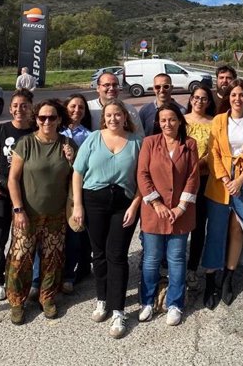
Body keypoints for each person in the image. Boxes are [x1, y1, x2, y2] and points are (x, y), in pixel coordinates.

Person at [71, 99, 142, 338]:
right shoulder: (93, 139)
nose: (113, 119)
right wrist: (78, 206)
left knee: (117, 255)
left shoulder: (136, 142)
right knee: (99, 254)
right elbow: (78, 173)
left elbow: (143, 179)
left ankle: (118, 311)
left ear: (125, 116)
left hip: (124, 203)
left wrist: (135, 205)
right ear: (104, 117)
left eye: (118, 114)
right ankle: (102, 299)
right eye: (109, 115)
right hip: (93, 201)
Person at [5, 99, 76, 325]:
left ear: (59, 119)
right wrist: (18, 210)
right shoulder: (26, 143)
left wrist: (72, 160)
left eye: (52, 117)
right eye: (42, 117)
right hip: (28, 214)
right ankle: (17, 302)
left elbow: (78, 176)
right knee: (20, 260)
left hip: (56, 215)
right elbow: (13, 179)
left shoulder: (68, 144)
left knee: (53, 259)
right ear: (36, 119)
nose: (46, 121)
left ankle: (47, 297)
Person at [201, 79, 243, 308]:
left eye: (242, 95)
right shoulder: (218, 120)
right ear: (228, 98)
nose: (238, 99)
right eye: (234, 95)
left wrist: (240, 179)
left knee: (239, 228)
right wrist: (227, 179)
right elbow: (213, 152)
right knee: (216, 230)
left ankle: (228, 277)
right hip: (220, 182)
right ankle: (210, 279)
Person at [137, 104, 199, 326]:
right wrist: (156, 203)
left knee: (176, 259)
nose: (167, 124)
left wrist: (180, 207)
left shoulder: (189, 145)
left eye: (172, 119)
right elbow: (142, 174)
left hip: (179, 213)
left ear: (179, 121)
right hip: (154, 213)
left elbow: (193, 177)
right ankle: (147, 301)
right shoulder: (149, 143)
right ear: (158, 122)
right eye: (163, 120)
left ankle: (175, 303)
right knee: (151, 259)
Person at [0, 88, 35, 302]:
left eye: (24, 105)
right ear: (10, 108)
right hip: (1, 191)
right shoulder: (1, 130)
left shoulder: (35, 130)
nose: (19, 109)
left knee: (25, 237)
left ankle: (22, 277)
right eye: (15, 105)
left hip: (28, 191)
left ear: (31, 107)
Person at [59, 94, 93, 294]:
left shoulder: (88, 135)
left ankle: (69, 275)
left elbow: (88, 165)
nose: (76, 110)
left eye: (81, 107)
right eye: (73, 106)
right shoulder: (55, 129)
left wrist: (75, 156)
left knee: (74, 234)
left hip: (75, 191)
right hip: (55, 189)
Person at [184, 85, 216, 291]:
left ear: (209, 102)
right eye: (196, 97)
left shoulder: (214, 123)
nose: (199, 101)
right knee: (178, 222)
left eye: (204, 98)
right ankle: (171, 265)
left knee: (198, 225)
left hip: (203, 178)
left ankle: (192, 267)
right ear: (191, 99)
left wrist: (199, 164)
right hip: (180, 179)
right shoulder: (181, 120)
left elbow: (216, 150)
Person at [87, 71, 143, 136]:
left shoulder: (129, 110)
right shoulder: (88, 108)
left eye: (115, 85)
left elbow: (139, 136)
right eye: (107, 85)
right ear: (98, 88)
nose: (111, 88)